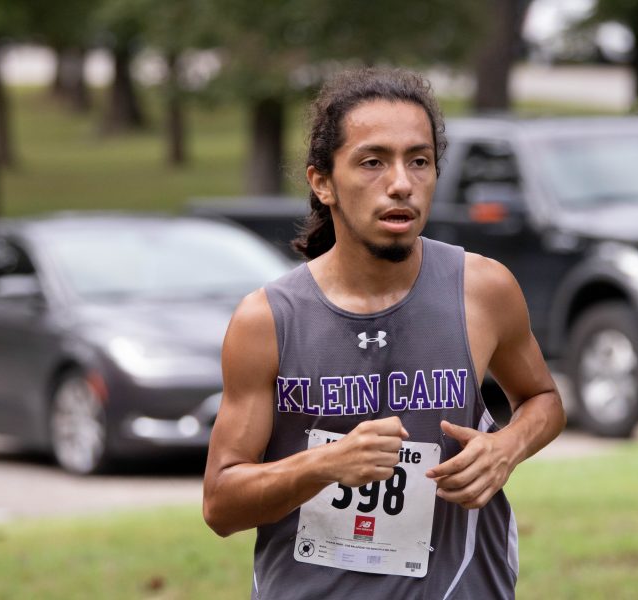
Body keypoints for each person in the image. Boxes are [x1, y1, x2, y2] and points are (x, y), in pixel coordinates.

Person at [203, 67, 565, 599]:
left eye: (419, 161)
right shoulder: (267, 321)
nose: (400, 183)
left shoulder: (483, 290)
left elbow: (543, 399)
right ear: (322, 182)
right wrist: (324, 465)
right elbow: (221, 505)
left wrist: (506, 447)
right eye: (372, 162)